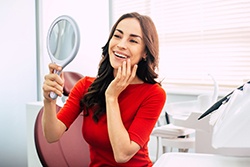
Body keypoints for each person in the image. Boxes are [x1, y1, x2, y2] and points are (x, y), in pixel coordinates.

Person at [42, 12, 166, 167]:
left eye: (133, 40)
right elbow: (51, 135)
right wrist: (49, 101)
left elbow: (122, 154)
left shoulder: (154, 94)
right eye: (117, 36)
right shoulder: (85, 86)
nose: (121, 44)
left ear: (145, 53)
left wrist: (112, 97)